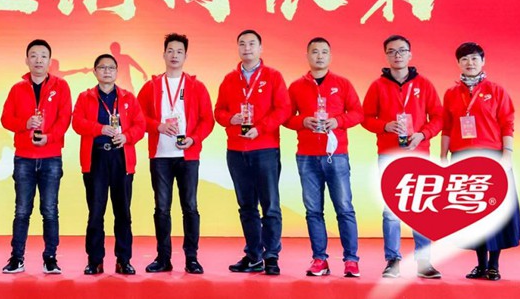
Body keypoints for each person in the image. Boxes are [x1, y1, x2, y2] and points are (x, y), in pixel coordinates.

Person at [361, 35, 443, 279]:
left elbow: (438, 117)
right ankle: (393, 260)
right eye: (392, 51)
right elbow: (365, 118)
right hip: (389, 155)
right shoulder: (377, 86)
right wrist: (385, 126)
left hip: (418, 153)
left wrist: (423, 134)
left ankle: (424, 261)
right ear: (386, 55)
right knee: (391, 210)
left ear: (410, 54)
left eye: (402, 50)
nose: (397, 55)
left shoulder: (424, 85)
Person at [441, 42, 520, 281]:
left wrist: (507, 155)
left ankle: (494, 265)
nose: (470, 63)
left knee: (494, 211)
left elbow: (507, 123)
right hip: (462, 158)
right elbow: (447, 127)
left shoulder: (496, 91)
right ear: (458, 63)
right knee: (472, 212)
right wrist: (443, 157)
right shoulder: (451, 93)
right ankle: (480, 265)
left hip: (492, 157)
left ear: (483, 61)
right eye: (464, 59)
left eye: (475, 58)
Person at [213, 29, 290, 276]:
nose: (247, 48)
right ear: (238, 48)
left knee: (270, 206)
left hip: (265, 149)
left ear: (260, 48)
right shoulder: (229, 79)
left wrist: (261, 128)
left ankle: (271, 256)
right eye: (242, 44)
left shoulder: (273, 76)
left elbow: (283, 109)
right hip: (236, 151)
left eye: (252, 44)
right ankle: (254, 255)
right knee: (246, 206)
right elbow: (218, 112)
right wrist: (231, 118)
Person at [286, 37, 363, 278]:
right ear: (307, 56)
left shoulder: (343, 84)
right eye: (315, 52)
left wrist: (338, 121)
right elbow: (286, 117)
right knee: (313, 210)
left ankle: (351, 260)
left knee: (344, 208)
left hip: (336, 155)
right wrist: (303, 121)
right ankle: (320, 259)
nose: (319, 56)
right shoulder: (296, 86)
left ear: (330, 56)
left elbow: (358, 113)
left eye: (324, 52)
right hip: (307, 157)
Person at [138, 33, 214, 274]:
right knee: (162, 208)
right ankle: (163, 258)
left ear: (185, 56)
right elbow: (138, 118)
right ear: (163, 54)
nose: (174, 55)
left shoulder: (196, 87)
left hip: (187, 156)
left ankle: (192, 258)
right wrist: (157, 126)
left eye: (179, 51)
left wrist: (194, 139)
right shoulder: (151, 87)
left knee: (190, 207)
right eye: (170, 51)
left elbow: (207, 120)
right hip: (160, 156)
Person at [0, 39, 73, 274]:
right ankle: (16, 258)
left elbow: (65, 119)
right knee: (22, 210)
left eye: (43, 56)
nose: (38, 60)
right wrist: (25, 123)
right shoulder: (17, 89)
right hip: (24, 157)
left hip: (51, 156)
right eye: (33, 55)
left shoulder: (61, 87)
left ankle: (50, 258)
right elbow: (5, 119)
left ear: (50, 61)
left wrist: (49, 137)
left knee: (50, 210)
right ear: (26, 60)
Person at [72, 53, 146, 276]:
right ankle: (95, 261)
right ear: (95, 71)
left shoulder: (128, 98)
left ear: (116, 72)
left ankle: (124, 260)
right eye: (102, 67)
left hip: (121, 159)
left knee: (123, 212)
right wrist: (99, 129)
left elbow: (140, 125)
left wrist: (127, 136)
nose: (107, 71)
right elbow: (77, 123)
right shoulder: (85, 97)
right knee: (96, 212)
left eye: (111, 68)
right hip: (96, 159)